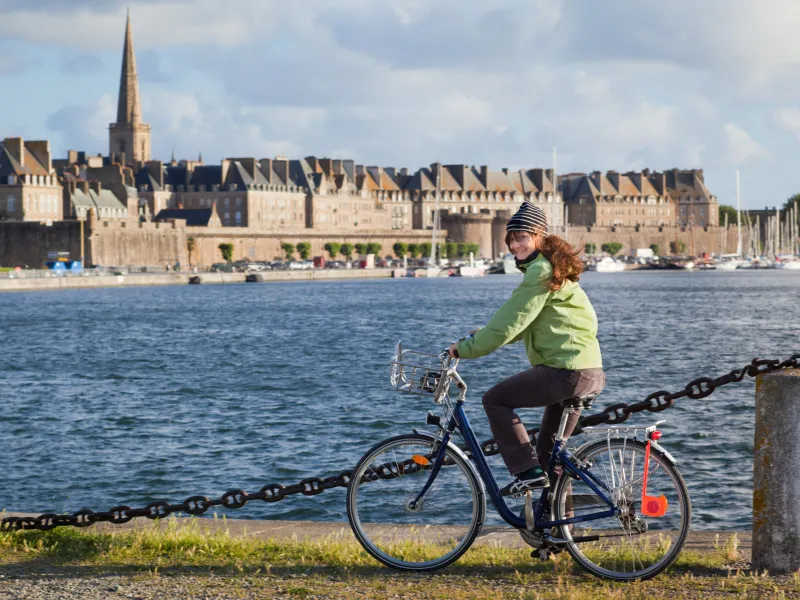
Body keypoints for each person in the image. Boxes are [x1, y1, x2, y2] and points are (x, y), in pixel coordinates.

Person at [449, 202, 605, 497]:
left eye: (522, 237)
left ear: (539, 237)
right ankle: (556, 535)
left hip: (567, 371)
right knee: (548, 456)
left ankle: (526, 473)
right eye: (511, 239)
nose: (515, 245)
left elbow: (509, 322)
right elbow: (522, 324)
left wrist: (465, 349)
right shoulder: (553, 269)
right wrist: (483, 335)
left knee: (495, 400)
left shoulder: (540, 271)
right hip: (587, 370)